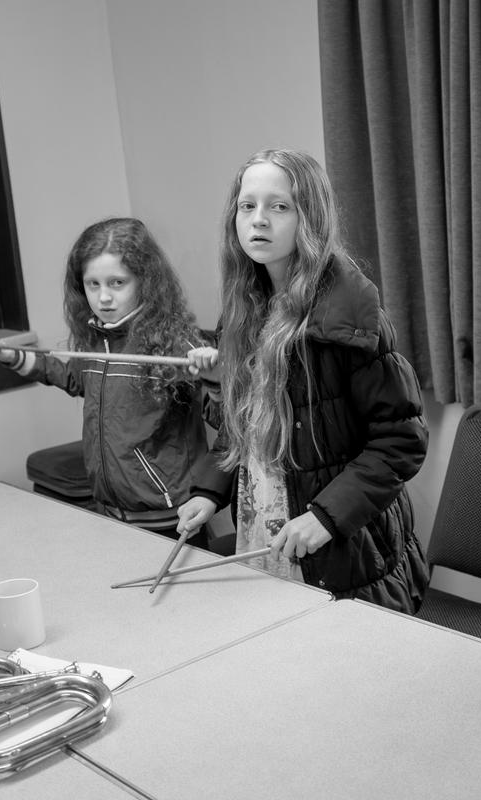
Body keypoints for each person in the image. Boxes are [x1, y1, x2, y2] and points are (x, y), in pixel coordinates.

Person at [177, 149, 429, 614]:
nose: (259, 220)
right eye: (247, 206)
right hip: (266, 524)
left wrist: (326, 517)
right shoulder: (245, 308)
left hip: (342, 550)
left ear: (308, 217)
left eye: (279, 206)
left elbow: (401, 441)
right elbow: (247, 427)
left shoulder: (348, 314)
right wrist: (210, 491)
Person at [0, 217, 213, 548]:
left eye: (117, 283)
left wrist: (211, 369)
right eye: (93, 284)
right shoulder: (97, 339)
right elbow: (71, 377)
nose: (104, 298)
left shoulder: (175, 342)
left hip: (170, 518)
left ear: (146, 281)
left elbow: (225, 405)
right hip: (110, 512)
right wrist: (10, 356)